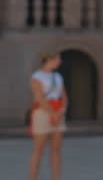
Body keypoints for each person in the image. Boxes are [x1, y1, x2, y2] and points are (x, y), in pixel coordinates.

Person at [29, 52, 67, 180]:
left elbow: (64, 96)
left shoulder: (58, 76)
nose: (60, 61)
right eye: (58, 58)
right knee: (38, 150)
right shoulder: (37, 76)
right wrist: (52, 113)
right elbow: (39, 97)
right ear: (49, 59)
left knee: (56, 151)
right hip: (43, 112)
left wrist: (61, 111)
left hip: (58, 111)